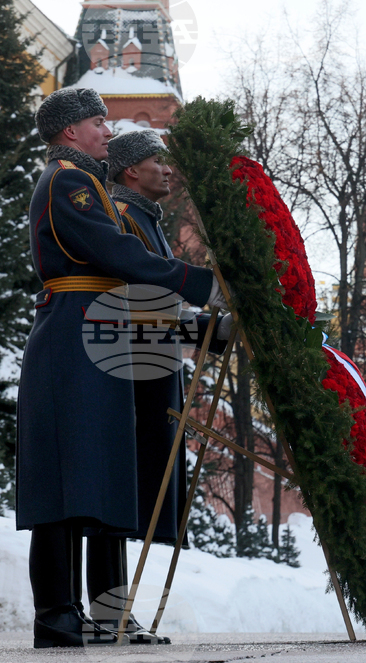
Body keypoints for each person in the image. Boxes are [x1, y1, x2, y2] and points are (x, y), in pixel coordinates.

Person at [19, 88, 228, 649]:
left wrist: (199, 323)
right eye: (97, 122)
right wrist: (198, 284)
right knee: (67, 484)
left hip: (94, 334)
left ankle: (88, 613)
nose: (107, 132)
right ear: (69, 132)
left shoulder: (84, 182)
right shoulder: (68, 180)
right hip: (74, 333)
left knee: (95, 484)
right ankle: (56, 613)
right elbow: (116, 254)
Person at [98, 130, 232, 644]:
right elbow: (134, 308)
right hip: (131, 372)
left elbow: (160, 311)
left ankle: (114, 614)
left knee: (130, 499)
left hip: (152, 369)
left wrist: (207, 330)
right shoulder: (125, 220)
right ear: (131, 170)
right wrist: (198, 321)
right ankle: (108, 613)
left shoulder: (147, 221)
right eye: (158, 161)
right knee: (118, 497)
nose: (168, 170)